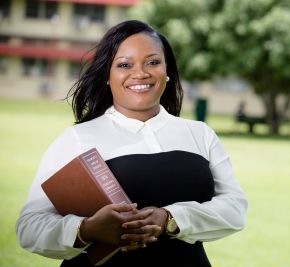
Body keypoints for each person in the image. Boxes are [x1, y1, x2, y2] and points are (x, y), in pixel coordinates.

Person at [16, 20, 247, 267]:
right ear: (107, 75)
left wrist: (171, 219)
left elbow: (234, 209)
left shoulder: (199, 134)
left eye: (153, 62)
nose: (140, 73)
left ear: (167, 70)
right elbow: (30, 227)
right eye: (125, 65)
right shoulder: (77, 139)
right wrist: (87, 229)